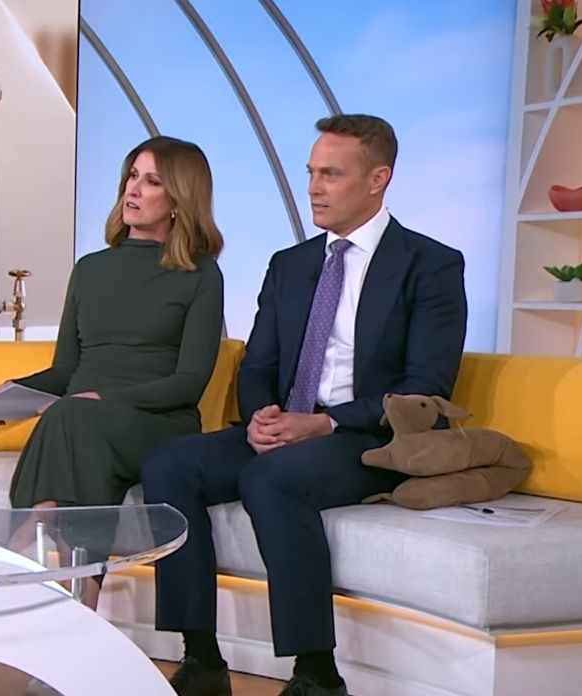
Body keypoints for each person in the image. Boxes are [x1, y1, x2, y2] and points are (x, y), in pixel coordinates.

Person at [142, 114, 468, 696]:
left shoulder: (431, 264)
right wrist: (263, 416)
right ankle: (202, 659)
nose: (314, 188)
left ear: (378, 179)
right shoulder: (289, 264)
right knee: (169, 464)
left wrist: (324, 422)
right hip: (288, 426)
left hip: (369, 436)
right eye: (311, 173)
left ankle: (317, 673)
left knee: (272, 478)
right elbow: (258, 365)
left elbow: (427, 386)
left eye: (331, 175)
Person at [0, 135, 226, 611]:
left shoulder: (200, 275)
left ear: (179, 199)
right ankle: (80, 601)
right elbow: (66, 370)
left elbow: (189, 383)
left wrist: (104, 400)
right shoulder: (90, 269)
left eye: (152, 181)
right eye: (132, 176)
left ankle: (19, 547)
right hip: (85, 423)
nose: (133, 190)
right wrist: (13, 392)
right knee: (74, 421)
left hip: (156, 421)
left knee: (72, 417)